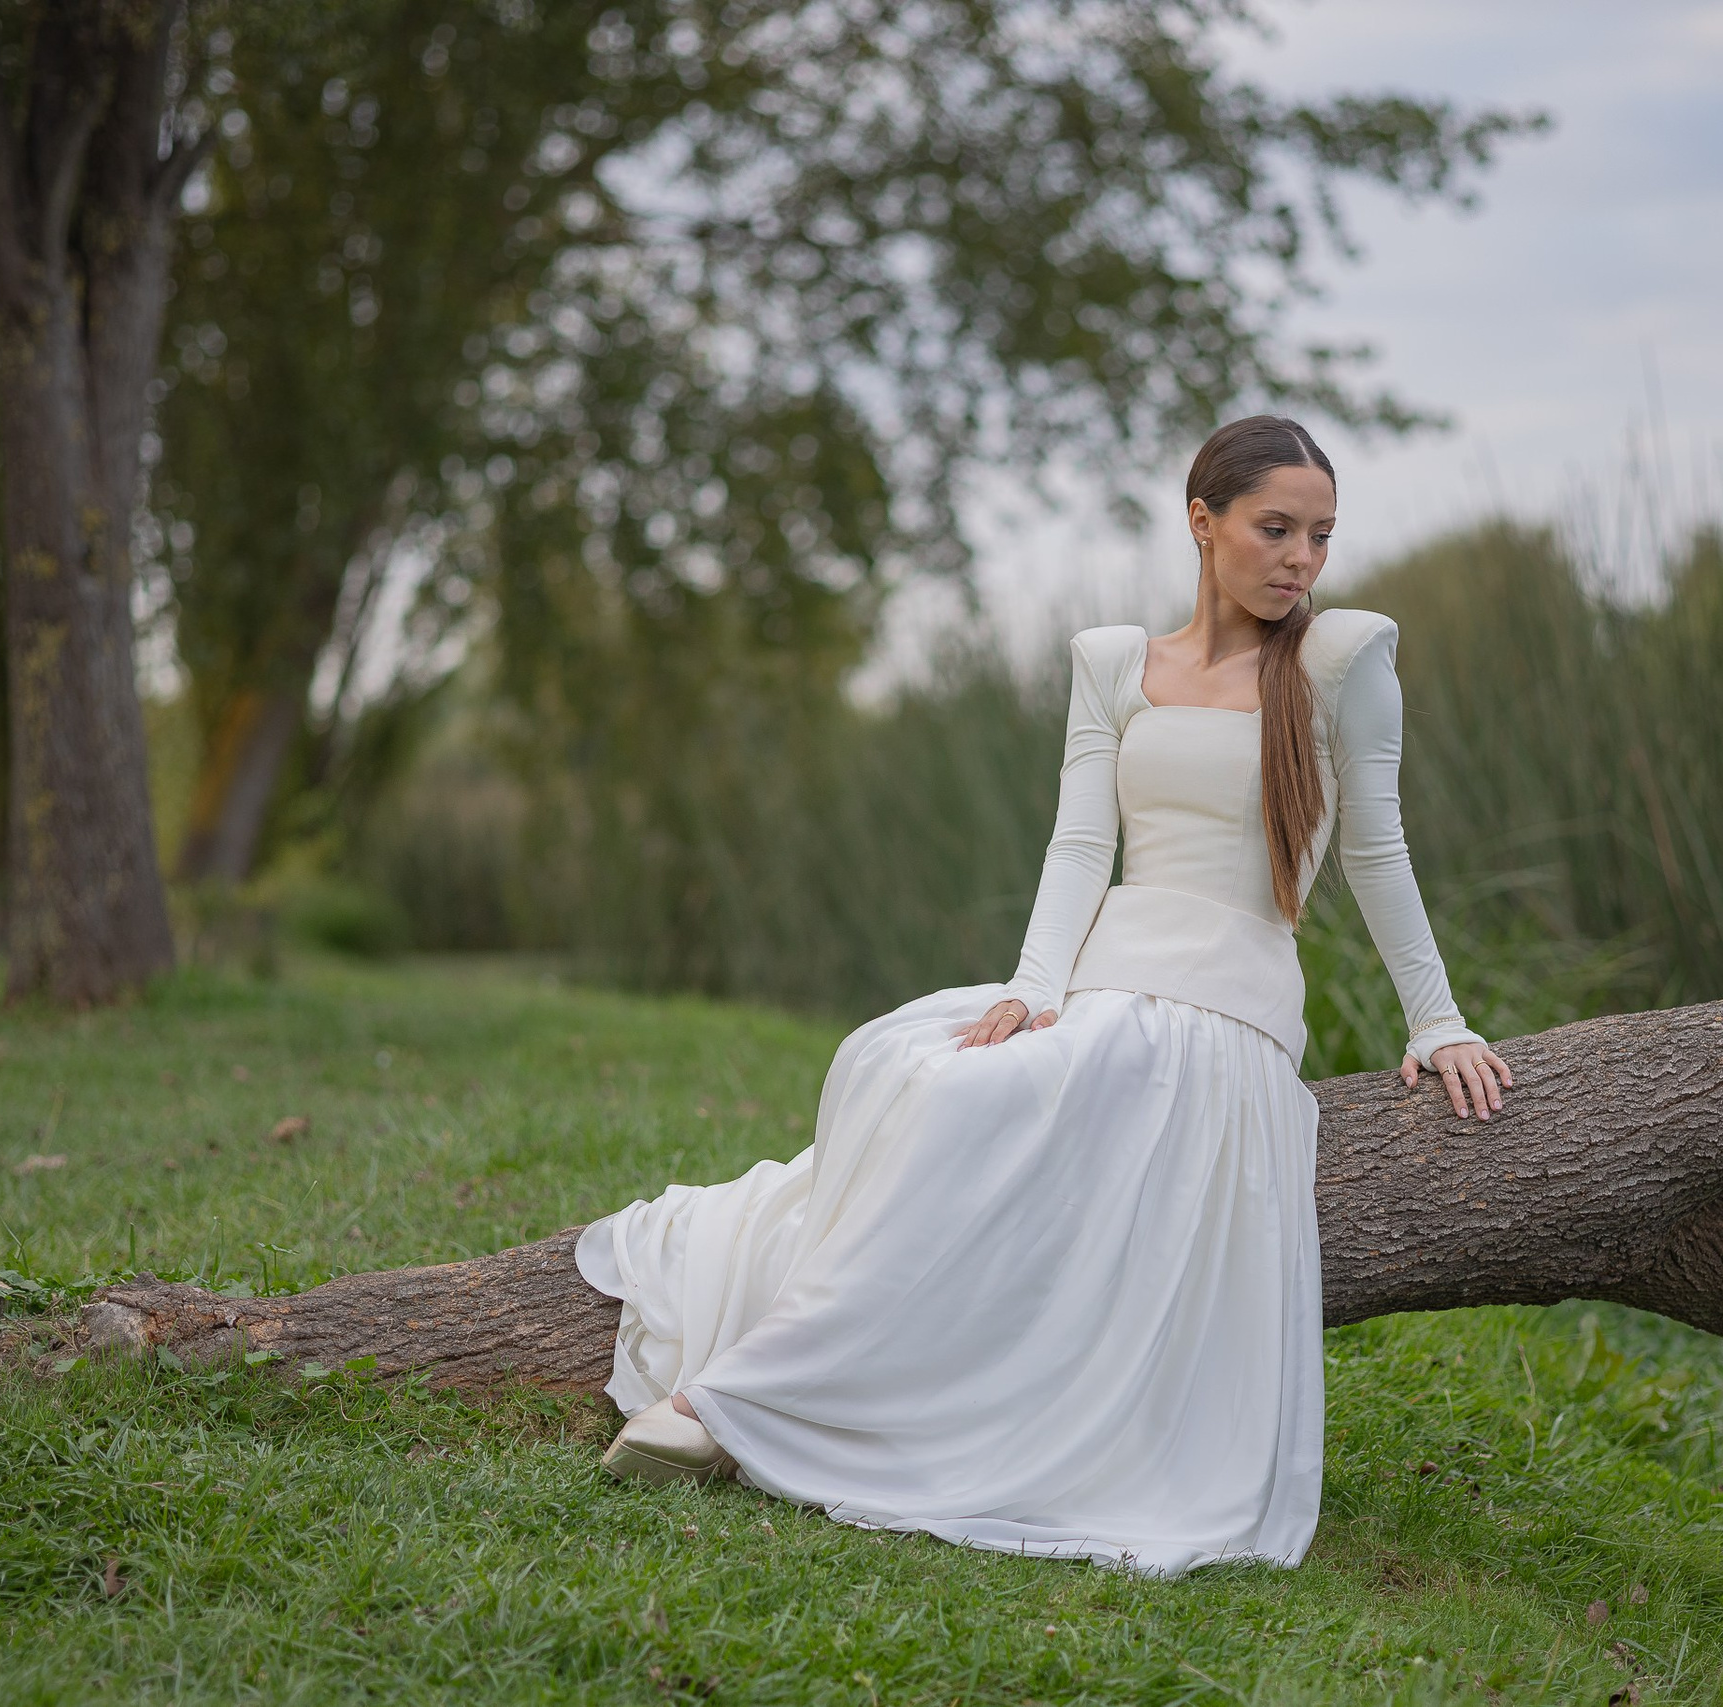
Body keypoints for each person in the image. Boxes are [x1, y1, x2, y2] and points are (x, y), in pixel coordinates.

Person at [574, 415, 1512, 1576]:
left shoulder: (1340, 661)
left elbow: (1377, 852)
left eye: (1320, 536)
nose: (1301, 560)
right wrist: (1033, 988)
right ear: (1201, 521)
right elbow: (1080, 847)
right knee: (903, 1067)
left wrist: (1438, 1019)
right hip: (1107, 973)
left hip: (1223, 1006)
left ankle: (732, 1406)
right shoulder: (1115, 662)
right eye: (1275, 530)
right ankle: (809, 1369)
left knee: (979, 1114)